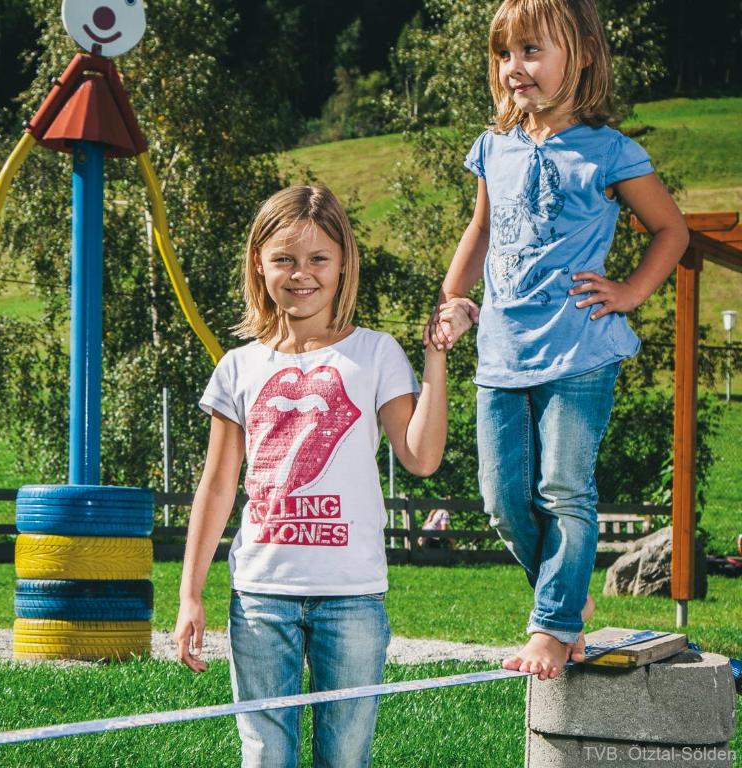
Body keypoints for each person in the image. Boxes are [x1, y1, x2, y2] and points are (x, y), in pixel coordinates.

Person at [425, 0, 689, 682]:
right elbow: (482, 230)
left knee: (564, 489)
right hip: (501, 354)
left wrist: (629, 292)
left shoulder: (609, 151)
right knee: (502, 500)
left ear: (584, 56)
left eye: (532, 51)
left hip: (579, 352)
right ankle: (567, 596)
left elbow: (672, 230)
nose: (515, 67)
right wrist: (453, 299)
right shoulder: (495, 147)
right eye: (505, 54)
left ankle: (553, 624)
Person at [175, 185, 475, 767]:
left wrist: (435, 355)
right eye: (284, 259)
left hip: (353, 596)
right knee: (266, 756)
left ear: (343, 264)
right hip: (261, 596)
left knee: (345, 758)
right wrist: (190, 594)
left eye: (318, 258)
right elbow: (216, 486)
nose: (301, 273)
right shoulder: (238, 366)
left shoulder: (376, 353)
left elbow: (421, 458)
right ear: (259, 264)